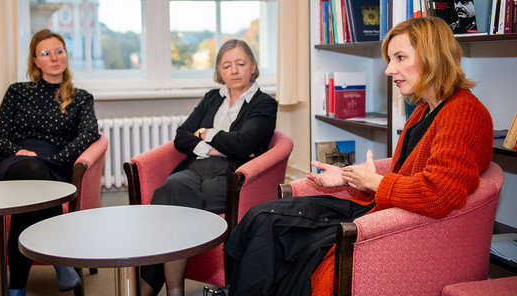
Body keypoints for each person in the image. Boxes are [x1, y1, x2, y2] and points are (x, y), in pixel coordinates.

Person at [223, 16, 493, 296]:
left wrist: (373, 183)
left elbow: (438, 193)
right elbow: (410, 175)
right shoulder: (426, 109)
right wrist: (349, 177)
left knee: (272, 224)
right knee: (261, 216)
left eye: (400, 58)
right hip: (379, 207)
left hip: (390, 220)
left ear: (433, 57)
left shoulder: (464, 113)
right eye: (390, 59)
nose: (389, 70)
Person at [139, 39, 278, 296]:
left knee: (168, 205)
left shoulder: (265, 104)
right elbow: (182, 136)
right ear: (219, 71)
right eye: (226, 65)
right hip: (196, 168)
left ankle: (153, 292)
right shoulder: (212, 98)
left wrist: (206, 133)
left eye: (240, 64)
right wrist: (212, 147)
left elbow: (244, 143)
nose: (234, 70)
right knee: (173, 188)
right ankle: (173, 291)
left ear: (253, 66)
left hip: (231, 175)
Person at [0, 29, 100, 296]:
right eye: (46, 53)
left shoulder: (81, 97)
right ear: (35, 61)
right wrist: (20, 152)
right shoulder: (17, 92)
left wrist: (54, 160)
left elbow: (89, 134)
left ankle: (16, 289)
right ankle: (60, 261)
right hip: (16, 164)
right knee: (32, 170)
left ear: (66, 55)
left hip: (56, 167)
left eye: (59, 51)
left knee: (26, 209)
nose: (54, 57)